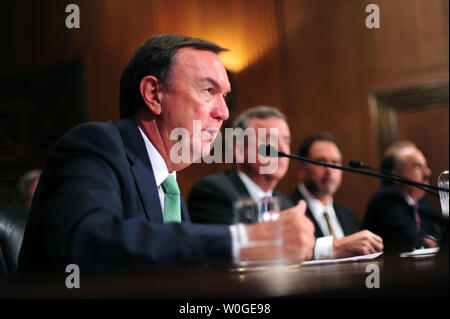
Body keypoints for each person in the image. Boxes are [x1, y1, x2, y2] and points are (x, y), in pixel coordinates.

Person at [17, 34, 315, 278]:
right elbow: (86, 241)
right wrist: (248, 240)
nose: (223, 112)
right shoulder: (95, 145)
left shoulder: (169, 184)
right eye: (208, 90)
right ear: (154, 95)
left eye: (224, 96)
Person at [188, 106, 294, 225]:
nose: (282, 149)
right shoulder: (212, 193)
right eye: (269, 140)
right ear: (239, 149)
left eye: (286, 142)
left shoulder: (287, 206)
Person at [289, 133, 383, 259]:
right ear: (301, 169)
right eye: (321, 162)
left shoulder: (349, 216)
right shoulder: (288, 210)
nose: (330, 170)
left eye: (335, 162)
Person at [363, 141, 442, 253]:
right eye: (418, 166)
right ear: (396, 176)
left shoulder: (421, 200)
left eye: (425, 165)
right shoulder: (386, 200)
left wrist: (432, 240)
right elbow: (407, 241)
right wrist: (425, 242)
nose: (427, 172)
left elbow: (438, 233)